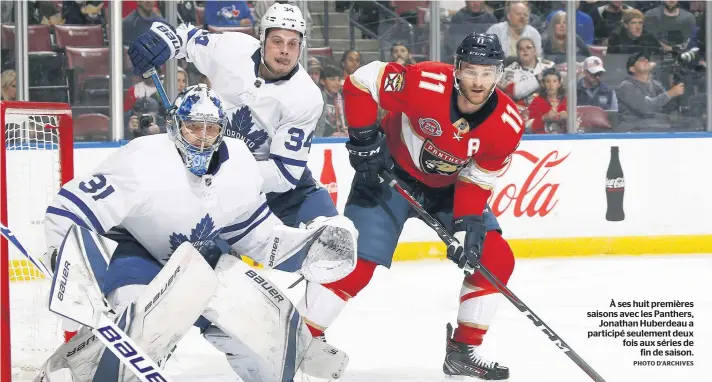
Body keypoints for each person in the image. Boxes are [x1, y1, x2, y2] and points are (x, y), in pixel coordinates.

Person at [39, 84, 355, 382]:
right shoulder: (142, 161)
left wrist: (306, 246)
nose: (203, 138)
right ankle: (89, 367)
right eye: (193, 127)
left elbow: (255, 236)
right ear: (175, 127)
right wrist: (63, 255)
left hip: (205, 258)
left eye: (212, 128)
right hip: (141, 254)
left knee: (266, 347)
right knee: (138, 330)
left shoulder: (240, 165)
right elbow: (72, 207)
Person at [127, 3, 344, 379]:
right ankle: (159, 340)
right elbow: (181, 37)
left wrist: (227, 173)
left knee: (335, 244)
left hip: (274, 185)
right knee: (198, 275)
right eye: (277, 40)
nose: (284, 51)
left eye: (293, 44)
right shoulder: (229, 49)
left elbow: (284, 173)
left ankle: (307, 333)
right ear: (262, 39)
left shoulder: (306, 97)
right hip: (211, 177)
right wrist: (158, 40)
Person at [304, 33, 523, 380]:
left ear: (499, 75)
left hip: (449, 190)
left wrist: (468, 225)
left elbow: (478, 179)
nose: (478, 81)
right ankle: (302, 337)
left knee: (494, 258)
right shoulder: (426, 81)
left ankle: (463, 351)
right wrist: (364, 139)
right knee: (357, 260)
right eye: (470, 71)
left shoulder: (507, 125)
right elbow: (362, 81)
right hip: (388, 174)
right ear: (456, 70)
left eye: (487, 72)